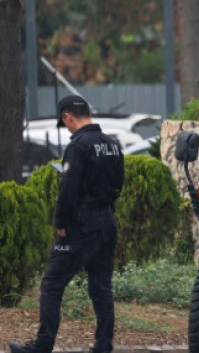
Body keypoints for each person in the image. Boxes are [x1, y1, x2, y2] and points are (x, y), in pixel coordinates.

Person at [11, 94, 125, 353]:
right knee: (101, 286)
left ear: (67, 117)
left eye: (66, 123)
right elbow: (118, 182)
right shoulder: (112, 144)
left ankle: (43, 345)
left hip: (81, 223)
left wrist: (61, 222)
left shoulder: (78, 146)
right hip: (107, 220)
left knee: (52, 284)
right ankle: (104, 345)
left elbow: (68, 188)